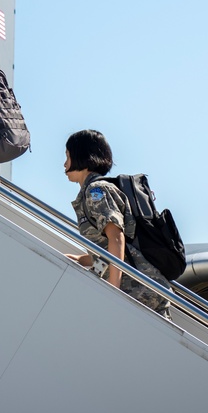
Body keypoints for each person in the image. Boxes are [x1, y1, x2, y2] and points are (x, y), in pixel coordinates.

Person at [62, 129, 171, 317]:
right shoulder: (95, 190)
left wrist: (113, 290)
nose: (64, 164)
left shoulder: (96, 191)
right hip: (141, 286)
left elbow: (117, 237)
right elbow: (115, 246)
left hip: (138, 288)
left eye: (68, 156)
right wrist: (83, 259)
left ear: (81, 156)